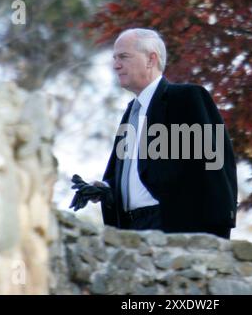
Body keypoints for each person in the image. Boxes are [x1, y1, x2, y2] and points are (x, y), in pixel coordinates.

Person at [90, 28, 237, 239]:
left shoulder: (186, 98)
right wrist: (104, 189)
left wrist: (218, 229)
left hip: (175, 227)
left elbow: (214, 166)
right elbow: (126, 174)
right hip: (130, 230)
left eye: (123, 57)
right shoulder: (130, 112)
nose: (116, 65)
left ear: (151, 59)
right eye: (114, 58)